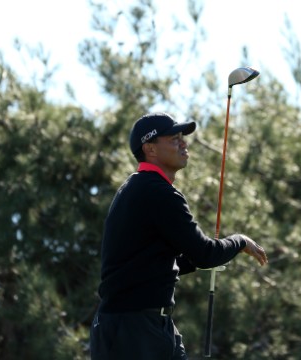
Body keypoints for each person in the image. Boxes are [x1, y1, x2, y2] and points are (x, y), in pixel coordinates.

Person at [89, 112, 268, 359]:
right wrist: (240, 241)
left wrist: (201, 259)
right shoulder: (156, 191)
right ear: (150, 148)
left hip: (149, 325)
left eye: (182, 137)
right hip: (132, 328)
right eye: (174, 139)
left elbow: (152, 263)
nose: (183, 143)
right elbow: (205, 253)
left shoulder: (140, 187)